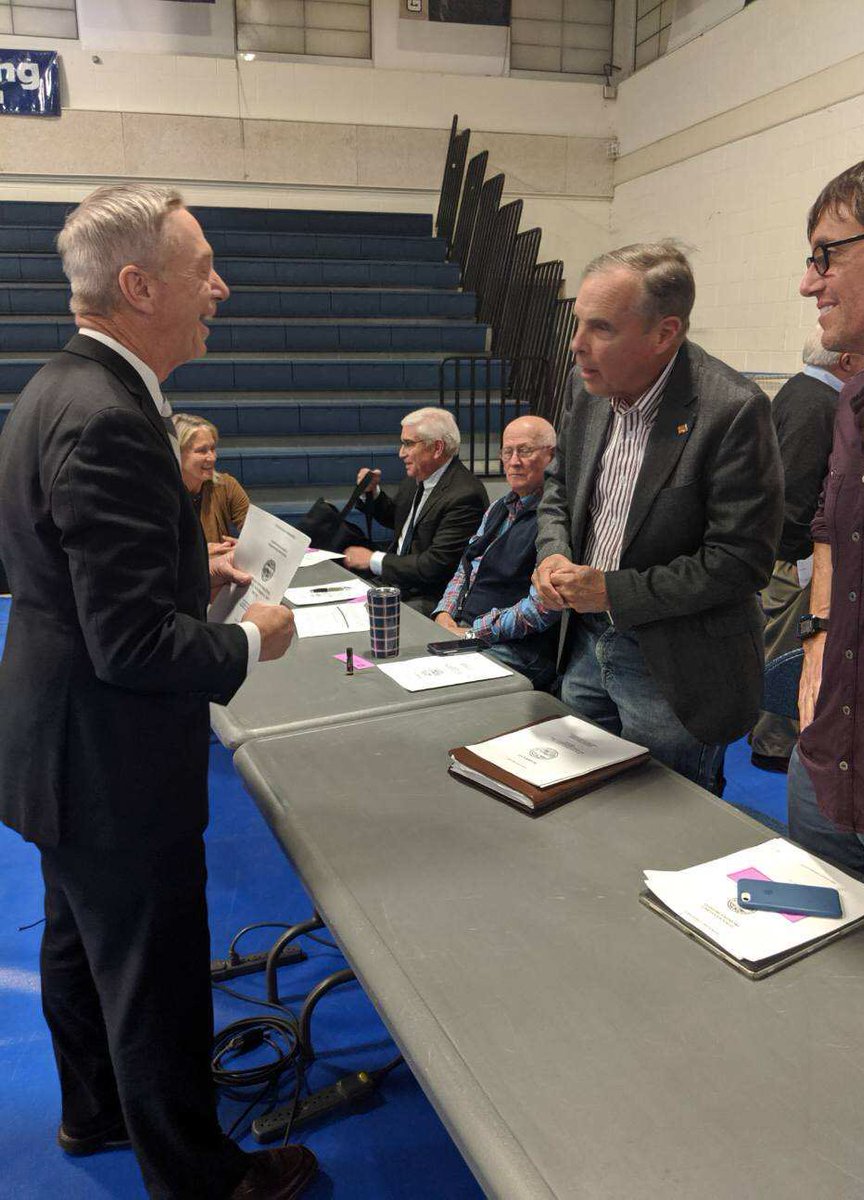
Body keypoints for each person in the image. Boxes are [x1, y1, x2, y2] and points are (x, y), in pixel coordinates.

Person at [0, 183, 317, 1198]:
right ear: (139, 286)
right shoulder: (110, 419)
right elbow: (132, 646)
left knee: (78, 944)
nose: (221, 289)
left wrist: (190, 572)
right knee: (154, 978)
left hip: (58, 745)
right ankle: (202, 1179)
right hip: (113, 762)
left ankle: (94, 1112)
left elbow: (72, 578)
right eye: (203, 270)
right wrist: (253, 638)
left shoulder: (58, 387)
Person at [533, 242, 782, 794]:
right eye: (579, 322)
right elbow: (559, 488)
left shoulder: (732, 410)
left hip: (675, 667)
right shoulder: (586, 386)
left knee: (664, 819)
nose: (577, 344)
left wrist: (613, 592)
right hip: (584, 643)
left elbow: (740, 563)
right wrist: (553, 553)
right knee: (577, 801)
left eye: (601, 327)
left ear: (664, 333)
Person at [789, 150, 864, 899]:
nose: (809, 282)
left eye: (827, 254)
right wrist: (819, 639)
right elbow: (830, 529)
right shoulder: (854, 404)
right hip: (828, 757)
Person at [750, 326, 864, 772]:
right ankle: (773, 745)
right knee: (785, 652)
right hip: (791, 559)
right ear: (846, 361)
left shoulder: (798, 391)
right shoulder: (818, 404)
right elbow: (797, 492)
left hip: (781, 552)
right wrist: (803, 559)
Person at [432, 415, 560, 688]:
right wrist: (444, 613)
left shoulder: (556, 522)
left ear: (551, 456)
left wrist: (473, 633)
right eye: (507, 451)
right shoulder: (498, 507)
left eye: (525, 450)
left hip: (519, 649)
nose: (514, 461)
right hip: (468, 633)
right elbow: (466, 568)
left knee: (439, 687)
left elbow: (543, 609)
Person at [343, 406, 488, 614]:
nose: (401, 453)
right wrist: (372, 493)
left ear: (437, 448)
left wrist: (372, 559)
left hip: (427, 595)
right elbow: (399, 519)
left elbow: (435, 566)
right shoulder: (418, 477)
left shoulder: (465, 495)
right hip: (395, 581)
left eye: (408, 444)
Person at [173, 412, 250, 549]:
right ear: (177, 454)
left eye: (213, 449)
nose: (212, 457)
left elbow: (259, 535)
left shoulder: (226, 485)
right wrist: (201, 555)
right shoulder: (162, 494)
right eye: (202, 451)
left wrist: (246, 547)